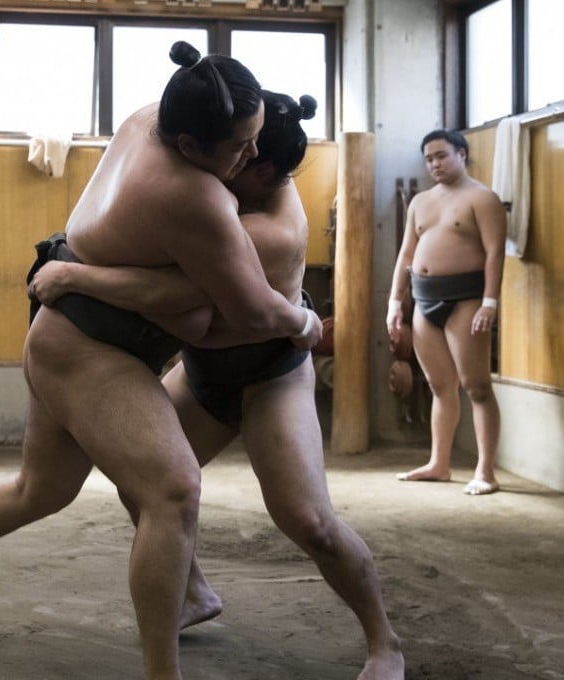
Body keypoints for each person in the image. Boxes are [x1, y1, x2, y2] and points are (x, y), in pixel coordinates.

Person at [0, 43, 319, 680]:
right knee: (173, 489)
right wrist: (307, 320)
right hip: (89, 348)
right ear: (190, 144)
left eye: (255, 138)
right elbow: (255, 313)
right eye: (238, 148)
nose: (250, 159)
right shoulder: (195, 199)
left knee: (37, 491)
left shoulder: (147, 115)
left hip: (67, 331)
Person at [29, 91, 404, 680]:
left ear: (263, 172)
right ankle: (196, 594)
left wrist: (74, 273)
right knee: (148, 483)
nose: (234, 159)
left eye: (245, 154)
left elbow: (172, 296)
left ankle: (385, 643)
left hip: (269, 376)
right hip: (204, 372)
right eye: (234, 145)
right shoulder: (222, 188)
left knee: (309, 521)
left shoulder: (265, 231)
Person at [386, 129, 506, 495]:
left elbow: (494, 253)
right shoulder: (420, 202)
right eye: (428, 158)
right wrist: (395, 302)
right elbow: (406, 255)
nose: (434, 163)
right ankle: (439, 464)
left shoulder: (483, 199)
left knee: (477, 387)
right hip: (424, 300)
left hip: (466, 300)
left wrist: (490, 302)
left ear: (461, 154)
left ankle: (485, 472)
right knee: (441, 387)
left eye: (441, 155)